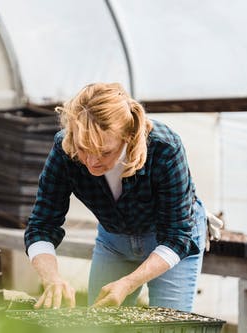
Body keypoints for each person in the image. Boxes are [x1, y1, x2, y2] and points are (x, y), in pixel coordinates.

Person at [24, 82, 208, 312]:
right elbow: (41, 226)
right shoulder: (65, 148)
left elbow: (177, 235)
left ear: (128, 137)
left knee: (168, 323)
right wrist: (51, 278)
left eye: (104, 152)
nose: (92, 161)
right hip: (114, 240)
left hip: (169, 239)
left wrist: (129, 283)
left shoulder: (164, 148)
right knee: (101, 323)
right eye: (83, 149)